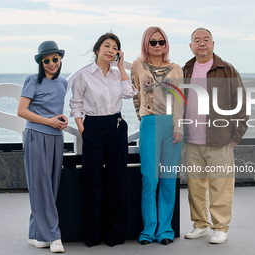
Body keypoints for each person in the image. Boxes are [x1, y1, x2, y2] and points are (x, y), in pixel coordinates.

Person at [69, 33, 137, 247]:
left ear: (118, 53)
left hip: (116, 126)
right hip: (93, 127)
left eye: (115, 47)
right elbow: (76, 104)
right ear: (97, 49)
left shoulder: (119, 75)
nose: (110, 49)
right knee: (93, 181)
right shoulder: (83, 75)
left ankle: (115, 235)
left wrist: (122, 67)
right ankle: (93, 234)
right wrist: (83, 129)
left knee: (117, 180)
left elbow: (130, 93)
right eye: (107, 45)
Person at [182, 28, 248, 244]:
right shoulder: (185, 70)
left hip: (220, 140)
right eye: (197, 40)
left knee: (221, 186)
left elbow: (241, 105)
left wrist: (235, 137)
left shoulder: (227, 70)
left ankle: (220, 227)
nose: (202, 44)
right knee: (195, 187)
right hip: (191, 140)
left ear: (213, 44)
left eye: (206, 40)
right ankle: (200, 225)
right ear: (191, 46)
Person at [131, 26, 184, 245]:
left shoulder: (175, 68)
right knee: (149, 179)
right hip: (150, 123)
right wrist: (143, 118)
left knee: (168, 179)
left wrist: (178, 126)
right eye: (153, 42)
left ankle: (165, 231)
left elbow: (180, 99)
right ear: (146, 44)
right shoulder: (137, 65)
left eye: (161, 42)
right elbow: (135, 96)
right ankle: (148, 231)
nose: (158, 46)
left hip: (172, 125)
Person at [17, 41, 68, 253]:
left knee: (51, 186)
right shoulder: (33, 81)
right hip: (36, 136)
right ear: (41, 62)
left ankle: (35, 234)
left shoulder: (63, 83)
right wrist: (49, 122)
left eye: (55, 59)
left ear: (60, 60)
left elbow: (55, 109)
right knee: (41, 187)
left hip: (56, 137)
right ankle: (53, 236)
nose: (51, 64)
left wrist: (61, 120)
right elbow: (21, 111)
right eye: (46, 60)